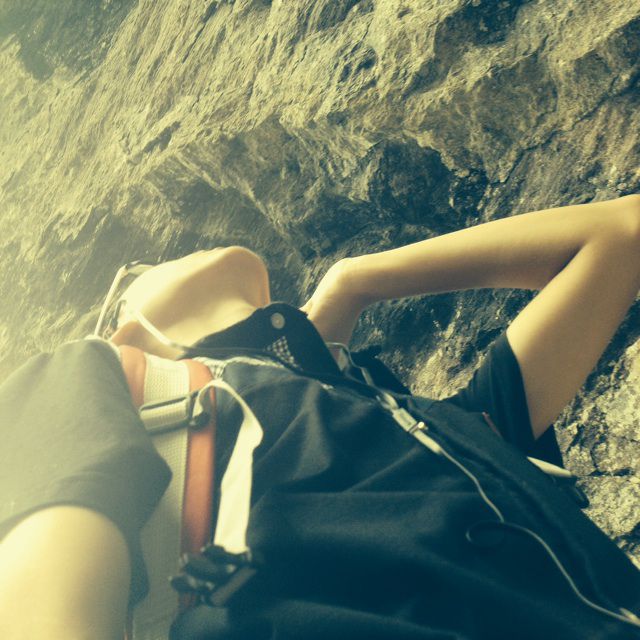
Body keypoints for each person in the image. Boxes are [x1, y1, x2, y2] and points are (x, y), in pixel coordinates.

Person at [2, 194, 640, 639]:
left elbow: (621, 233)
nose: (171, 255)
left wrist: (353, 283)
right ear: (124, 333)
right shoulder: (84, 378)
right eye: (139, 272)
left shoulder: (446, 434)